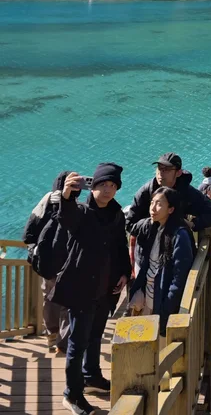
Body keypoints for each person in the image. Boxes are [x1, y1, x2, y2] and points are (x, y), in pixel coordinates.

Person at [52, 164, 131, 415]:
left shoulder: (117, 214)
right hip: (82, 289)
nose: (108, 190)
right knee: (78, 343)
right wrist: (66, 196)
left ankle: (91, 376)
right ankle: (72, 394)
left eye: (113, 186)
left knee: (96, 335)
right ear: (93, 186)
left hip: (105, 289)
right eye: (103, 184)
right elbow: (65, 218)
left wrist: (124, 272)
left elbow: (120, 246)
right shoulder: (81, 212)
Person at [127, 187, 195, 335]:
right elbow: (131, 228)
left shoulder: (179, 236)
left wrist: (166, 309)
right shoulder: (153, 227)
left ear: (171, 209)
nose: (153, 208)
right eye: (152, 202)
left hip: (161, 302)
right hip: (147, 297)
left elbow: (179, 278)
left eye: (159, 204)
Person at [23, 171, 73, 354]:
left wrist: (36, 252)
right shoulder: (73, 208)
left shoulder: (42, 206)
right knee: (67, 303)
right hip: (67, 263)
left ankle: (52, 334)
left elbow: (28, 235)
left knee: (50, 299)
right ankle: (62, 343)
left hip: (46, 264)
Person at [126, 153, 211, 235]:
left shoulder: (185, 191)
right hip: (149, 242)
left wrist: (193, 224)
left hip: (176, 241)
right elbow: (130, 224)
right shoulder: (145, 192)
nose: (161, 173)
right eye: (159, 168)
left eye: (167, 169)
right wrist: (154, 224)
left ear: (178, 173)